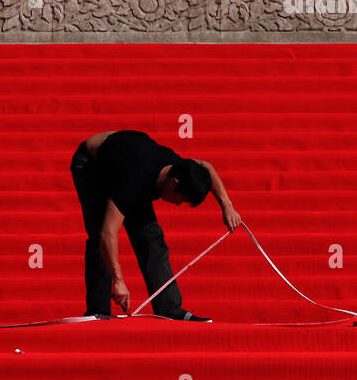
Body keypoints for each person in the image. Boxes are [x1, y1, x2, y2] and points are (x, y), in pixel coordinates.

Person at [69, 130, 242, 321]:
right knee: (99, 234)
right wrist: (119, 281)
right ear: (174, 183)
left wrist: (227, 206)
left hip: (126, 159)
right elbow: (108, 233)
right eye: (181, 199)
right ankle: (98, 310)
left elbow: (205, 167)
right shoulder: (134, 179)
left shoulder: (176, 164)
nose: (178, 204)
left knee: (151, 238)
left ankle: (169, 308)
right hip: (92, 166)